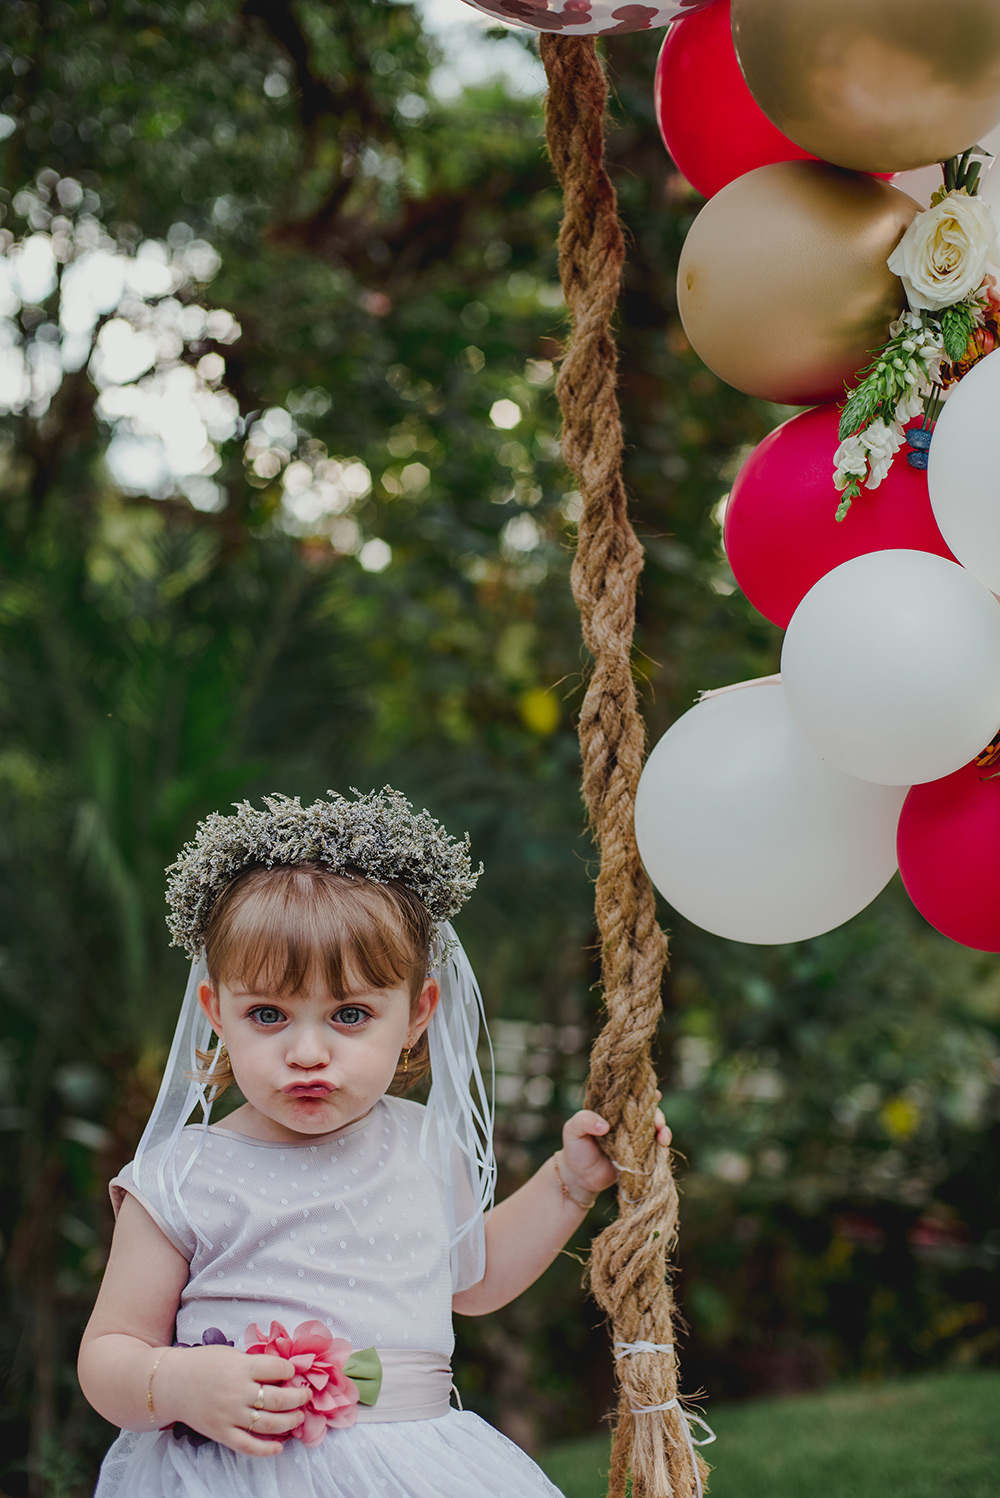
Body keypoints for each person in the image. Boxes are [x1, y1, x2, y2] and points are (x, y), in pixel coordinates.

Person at [78, 788, 671, 1498]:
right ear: (215, 1011)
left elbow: (474, 1280)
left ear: (418, 1014)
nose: (307, 1052)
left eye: (350, 1014)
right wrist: (176, 1382)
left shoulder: (424, 1142)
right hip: (238, 1475)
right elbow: (108, 1354)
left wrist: (569, 1183)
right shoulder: (181, 1176)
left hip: (410, 1465)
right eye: (267, 1014)